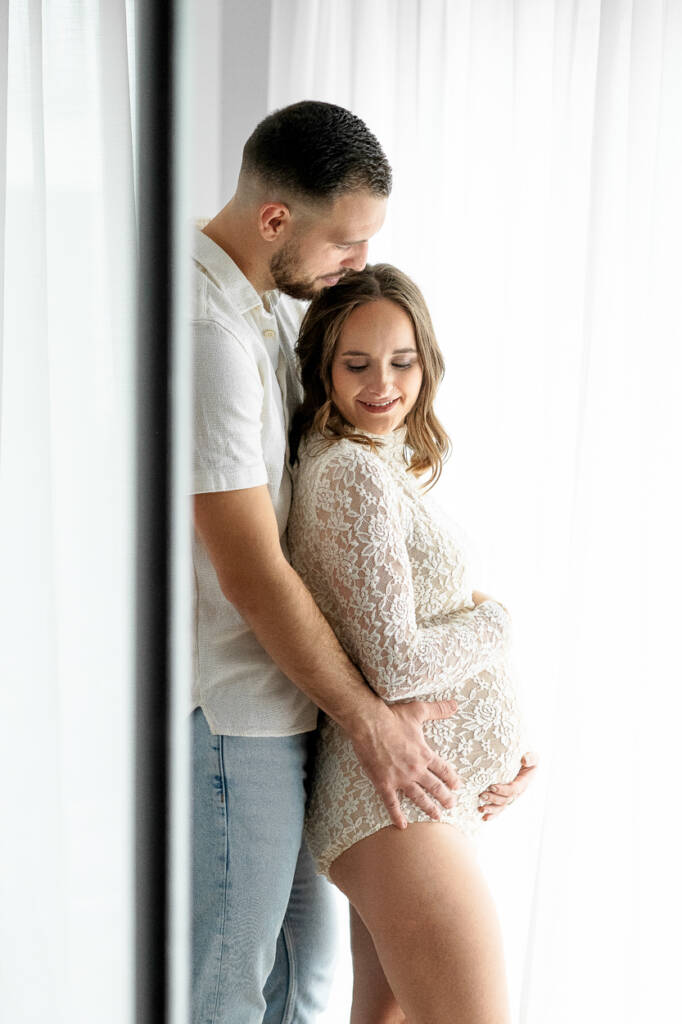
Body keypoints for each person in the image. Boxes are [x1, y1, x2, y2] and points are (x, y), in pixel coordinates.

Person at [191, 100, 537, 1023]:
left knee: (298, 994)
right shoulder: (210, 337)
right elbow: (254, 571)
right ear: (276, 221)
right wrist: (497, 627)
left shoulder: (264, 310)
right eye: (347, 245)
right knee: (233, 989)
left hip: (318, 730)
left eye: (404, 363)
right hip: (252, 715)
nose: (355, 264)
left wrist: (492, 727)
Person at [287, 263, 535, 1024]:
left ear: (427, 360)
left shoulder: (377, 465)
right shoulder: (352, 474)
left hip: (409, 801)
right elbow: (396, 664)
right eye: (356, 364)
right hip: (393, 807)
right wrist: (498, 621)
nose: (382, 384)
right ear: (324, 369)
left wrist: (500, 741)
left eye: (402, 360)